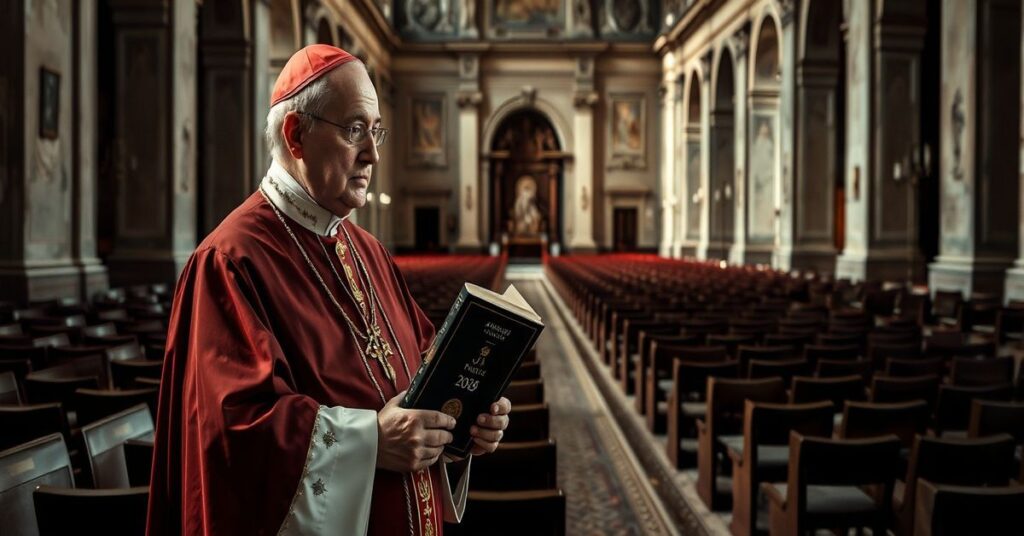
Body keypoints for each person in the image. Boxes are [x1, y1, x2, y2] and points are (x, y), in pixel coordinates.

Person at [146, 44, 511, 536]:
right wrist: (371, 443)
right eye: (355, 129)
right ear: (296, 135)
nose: (373, 153)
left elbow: (424, 372)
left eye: (376, 130)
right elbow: (235, 436)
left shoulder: (368, 251)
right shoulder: (230, 262)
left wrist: (462, 425)